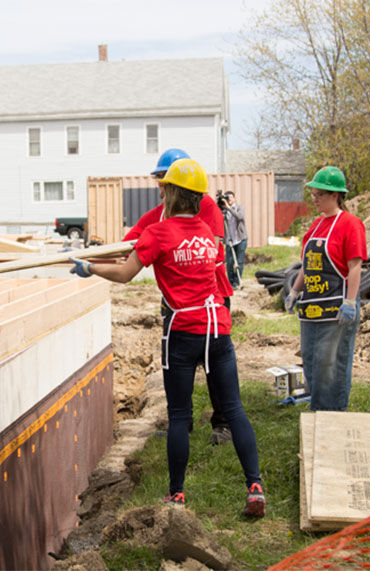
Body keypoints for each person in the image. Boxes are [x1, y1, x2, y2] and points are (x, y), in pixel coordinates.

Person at [71, 158, 265, 517]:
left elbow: (126, 273)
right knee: (235, 409)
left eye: (165, 188)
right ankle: (254, 486)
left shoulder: (159, 234)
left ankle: (177, 494)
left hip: (183, 332)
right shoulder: (208, 235)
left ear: (173, 193)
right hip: (218, 328)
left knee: (179, 416)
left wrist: (90, 268)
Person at [124, 148, 234, 446]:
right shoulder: (159, 214)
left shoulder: (206, 206)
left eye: (163, 181)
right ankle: (180, 424)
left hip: (211, 297)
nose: (160, 188)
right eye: (159, 181)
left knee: (214, 365)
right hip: (175, 301)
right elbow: (132, 240)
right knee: (175, 366)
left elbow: (208, 249)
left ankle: (223, 424)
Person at [284, 166, 367, 411]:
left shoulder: (350, 224)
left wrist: (350, 302)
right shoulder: (316, 226)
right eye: (313, 194)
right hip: (311, 309)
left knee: (329, 364)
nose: (315, 199)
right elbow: (308, 266)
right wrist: (295, 292)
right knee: (311, 361)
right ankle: (318, 411)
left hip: (336, 309)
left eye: (319, 194)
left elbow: (355, 266)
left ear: (335, 195)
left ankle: (333, 415)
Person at [221, 191, 247, 288]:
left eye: (231, 197)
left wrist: (229, 208)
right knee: (230, 262)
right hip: (229, 240)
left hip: (240, 239)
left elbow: (239, 217)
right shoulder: (224, 211)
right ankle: (230, 283)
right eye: (228, 198)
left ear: (234, 198)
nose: (229, 200)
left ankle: (237, 282)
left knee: (239, 261)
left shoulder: (239, 208)